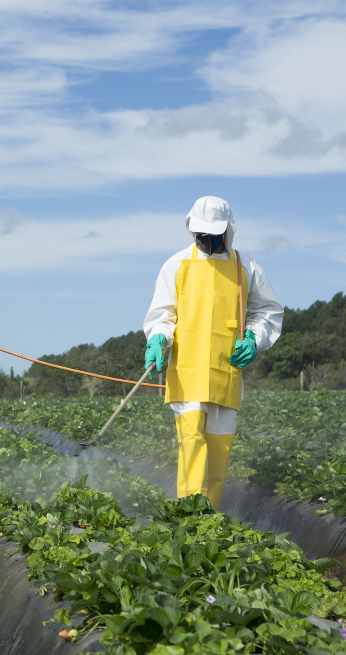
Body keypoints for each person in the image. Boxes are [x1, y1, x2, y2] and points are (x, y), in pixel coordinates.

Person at [142, 196, 282, 510]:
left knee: (219, 455)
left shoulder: (245, 266)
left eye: (213, 236)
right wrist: (158, 340)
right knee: (191, 446)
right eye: (201, 236)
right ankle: (189, 520)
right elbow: (162, 315)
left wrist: (254, 338)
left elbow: (268, 312)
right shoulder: (176, 264)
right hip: (187, 373)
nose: (207, 241)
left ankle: (210, 522)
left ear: (227, 232)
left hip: (226, 373)